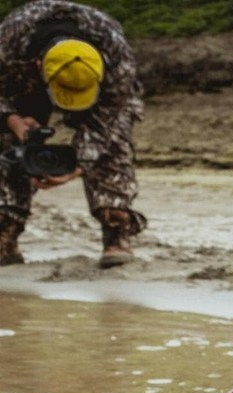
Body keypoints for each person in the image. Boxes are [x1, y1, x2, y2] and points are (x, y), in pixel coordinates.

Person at [0, 0, 146, 268]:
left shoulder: (116, 56)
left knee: (114, 143)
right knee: (5, 147)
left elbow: (107, 124)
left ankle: (117, 233)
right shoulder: (9, 40)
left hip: (103, 94)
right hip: (21, 86)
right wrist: (13, 120)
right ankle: (4, 235)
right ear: (39, 64)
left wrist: (76, 166)